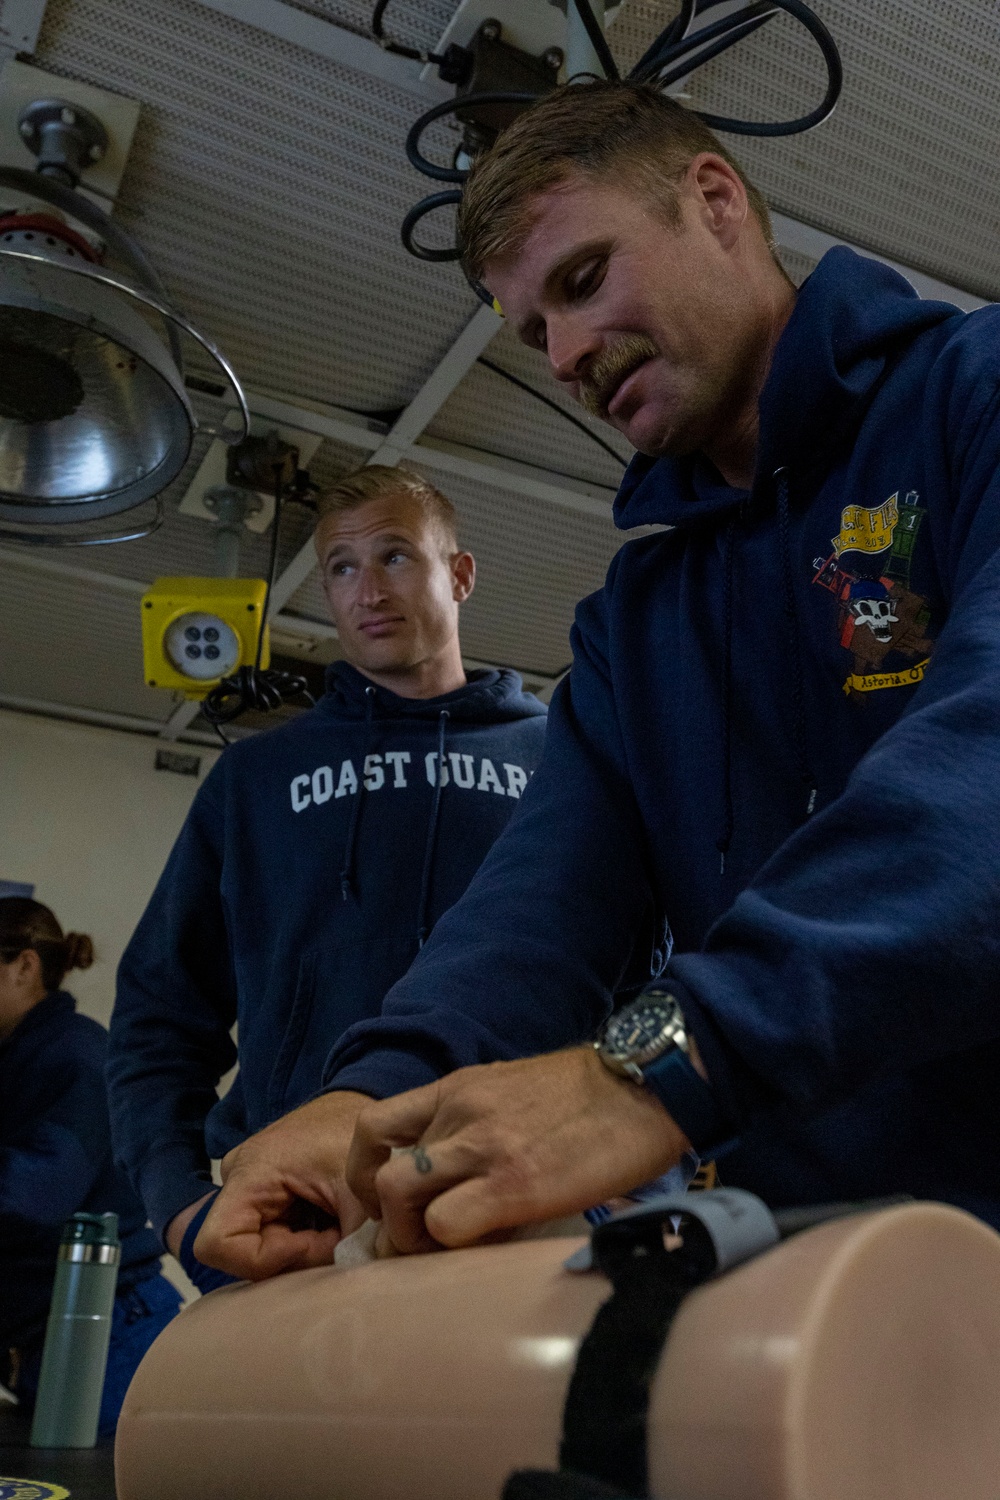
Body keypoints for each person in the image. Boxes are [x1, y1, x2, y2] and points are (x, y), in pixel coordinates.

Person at [193, 79, 1000, 1277]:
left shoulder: (972, 394)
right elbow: (546, 901)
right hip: (813, 1284)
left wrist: (669, 1062)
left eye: (580, 282)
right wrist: (374, 1095)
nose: (567, 355)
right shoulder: (639, 618)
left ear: (715, 202)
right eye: (532, 334)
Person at [107, 465, 548, 1285]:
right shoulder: (255, 780)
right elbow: (159, 1014)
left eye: (394, 556)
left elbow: (651, 976)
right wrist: (177, 1205)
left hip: (525, 1208)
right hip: (299, 1219)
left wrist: (627, 1192)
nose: (367, 589)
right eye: (341, 568)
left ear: (460, 574)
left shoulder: (561, 759)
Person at [0, 898, 180, 1434]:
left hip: (107, 1333)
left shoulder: (76, 1054)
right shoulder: (16, 1058)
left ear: (25, 966)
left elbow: (34, 1193)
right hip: (39, 1341)